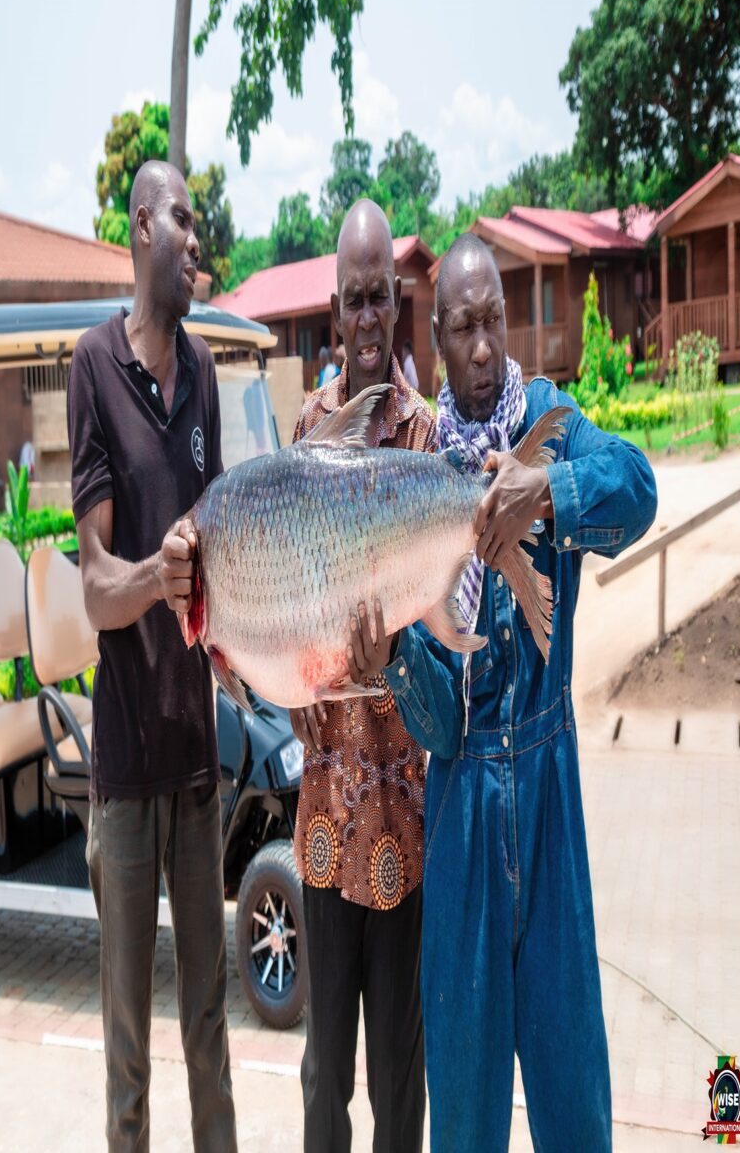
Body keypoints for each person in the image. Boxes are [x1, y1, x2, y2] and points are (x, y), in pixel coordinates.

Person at [346, 233, 657, 1152]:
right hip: (463, 809)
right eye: (463, 328)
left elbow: (637, 490)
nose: (483, 348)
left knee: (574, 1098)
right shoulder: (421, 471)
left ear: (508, 323)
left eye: (495, 323)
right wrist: (395, 654)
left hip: (550, 785)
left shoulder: (552, 422)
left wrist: (548, 489)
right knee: (469, 1113)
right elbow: (440, 727)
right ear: (436, 337)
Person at [67, 160, 236, 1153]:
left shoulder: (207, 373)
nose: (194, 238)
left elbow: (209, 541)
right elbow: (95, 585)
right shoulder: (92, 365)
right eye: (181, 220)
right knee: (128, 1052)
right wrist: (159, 579)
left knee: (207, 1030)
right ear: (140, 232)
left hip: (197, 768)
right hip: (127, 778)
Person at [290, 199, 434, 1153]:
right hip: (324, 816)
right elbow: (285, 583)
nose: (371, 318)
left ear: (398, 300)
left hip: (404, 821)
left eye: (383, 297)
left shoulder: (424, 441)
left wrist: (402, 657)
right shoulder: (308, 431)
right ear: (336, 310)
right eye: (355, 300)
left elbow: (440, 613)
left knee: (398, 1079)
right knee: (321, 1076)